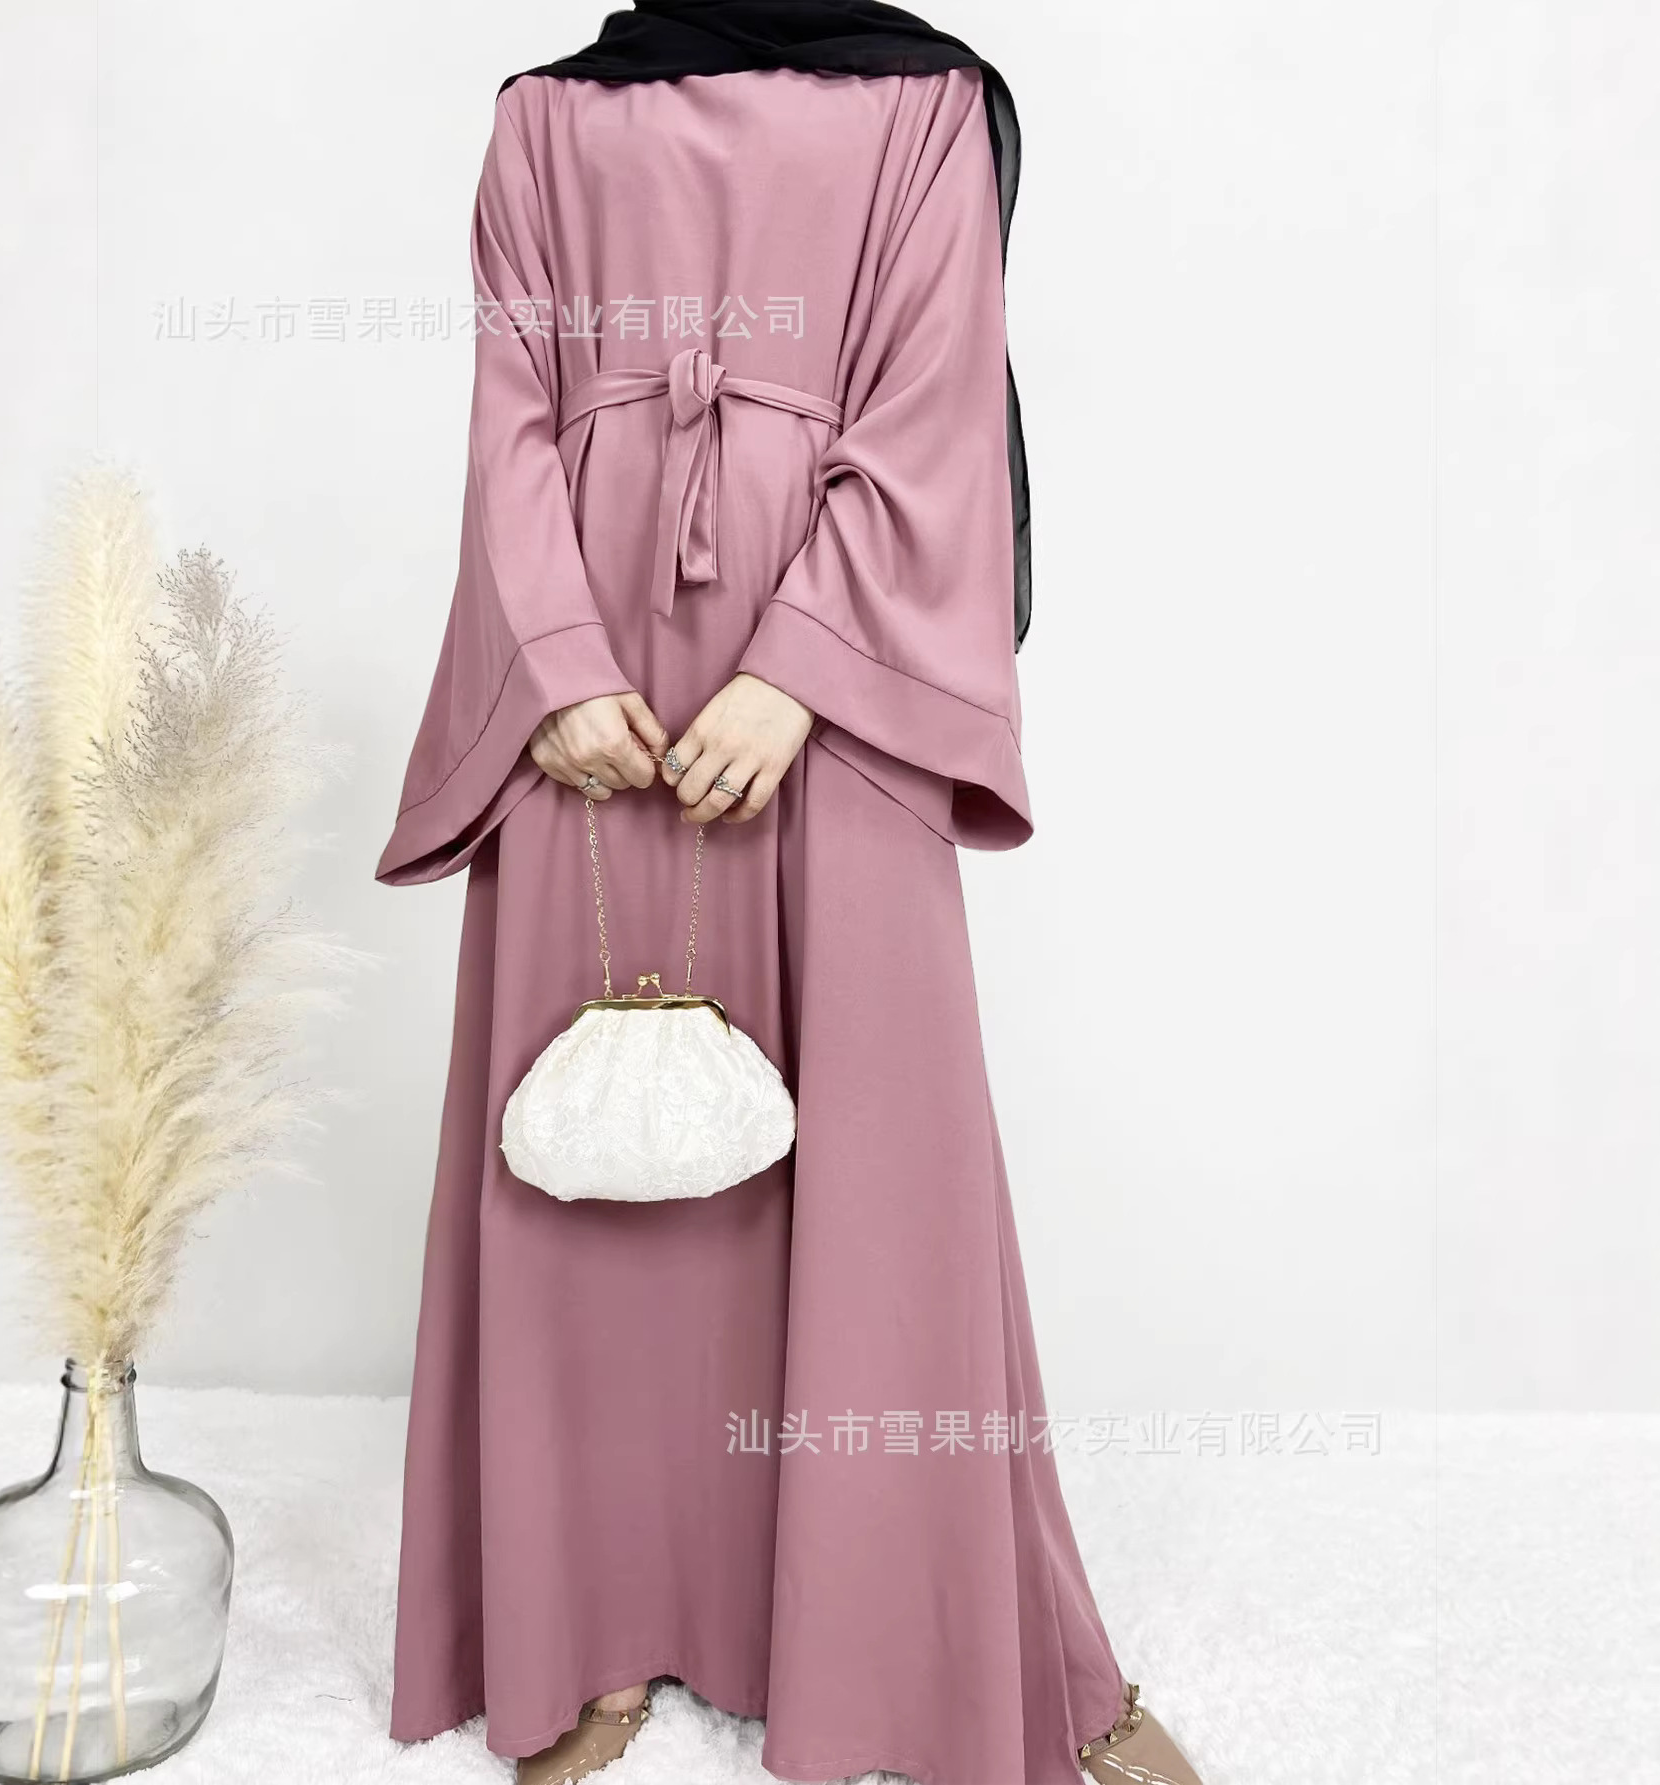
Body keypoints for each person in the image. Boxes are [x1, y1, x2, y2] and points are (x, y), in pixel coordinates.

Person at [375, 5, 1206, 1782]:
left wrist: (797, 672)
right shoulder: (544, 115)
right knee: (589, 1161)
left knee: (883, 1165)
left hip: (830, 670)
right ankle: (592, 1621)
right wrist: (552, 665)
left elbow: (933, 398)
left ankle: (922, 1642)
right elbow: (511, 410)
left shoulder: (925, 103)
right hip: (591, 668)